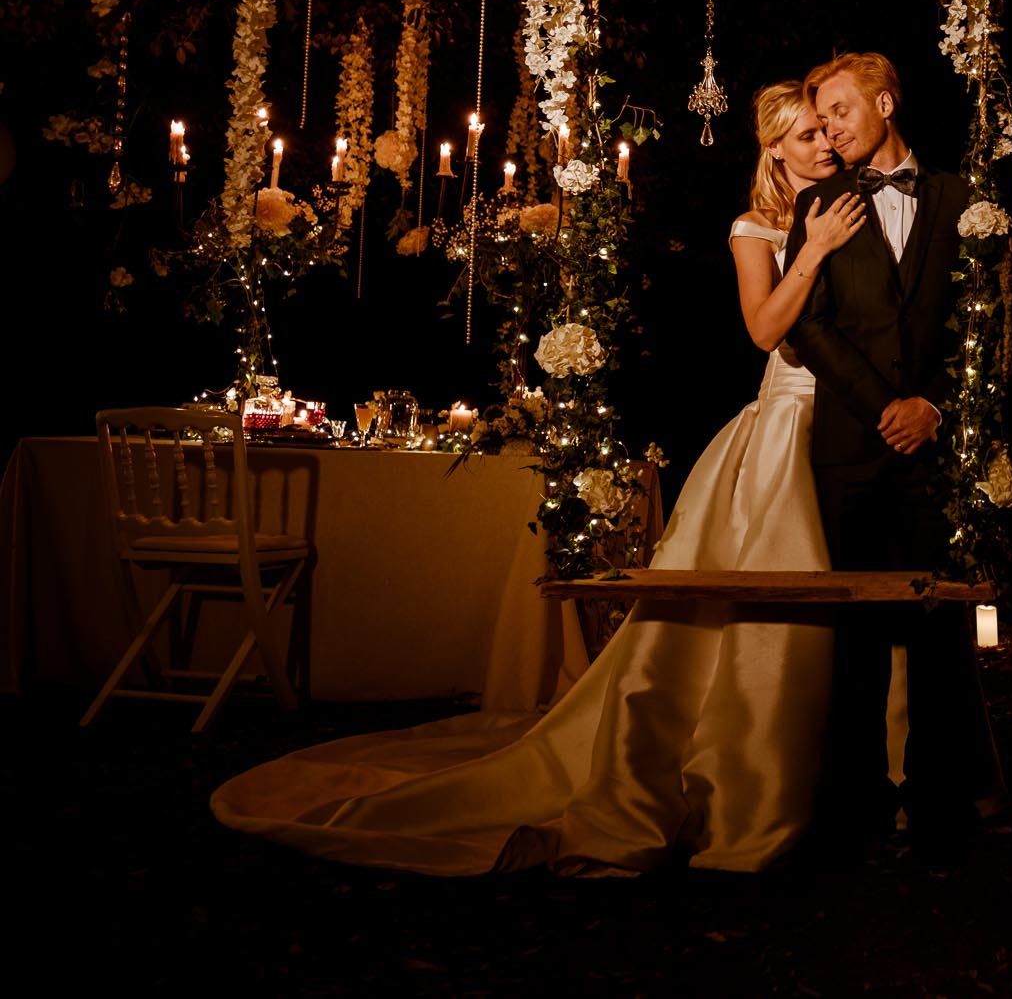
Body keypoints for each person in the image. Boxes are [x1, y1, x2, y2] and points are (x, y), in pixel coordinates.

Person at [210, 82, 867, 876]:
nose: (822, 145)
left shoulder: (850, 209)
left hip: (849, 424)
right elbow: (764, 328)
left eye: (825, 132)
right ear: (773, 151)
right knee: (755, 611)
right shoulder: (755, 226)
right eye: (803, 137)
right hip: (782, 426)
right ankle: (740, 776)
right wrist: (819, 247)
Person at [783, 51, 1004, 854]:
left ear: (884, 100)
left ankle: (940, 800)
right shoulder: (819, 201)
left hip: (935, 452)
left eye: (840, 109)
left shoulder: (960, 200)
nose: (830, 128)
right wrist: (883, 406)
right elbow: (806, 325)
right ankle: (856, 806)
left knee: (942, 629)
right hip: (853, 447)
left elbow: (982, 320)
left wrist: (934, 405)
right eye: (822, 115)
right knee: (858, 637)